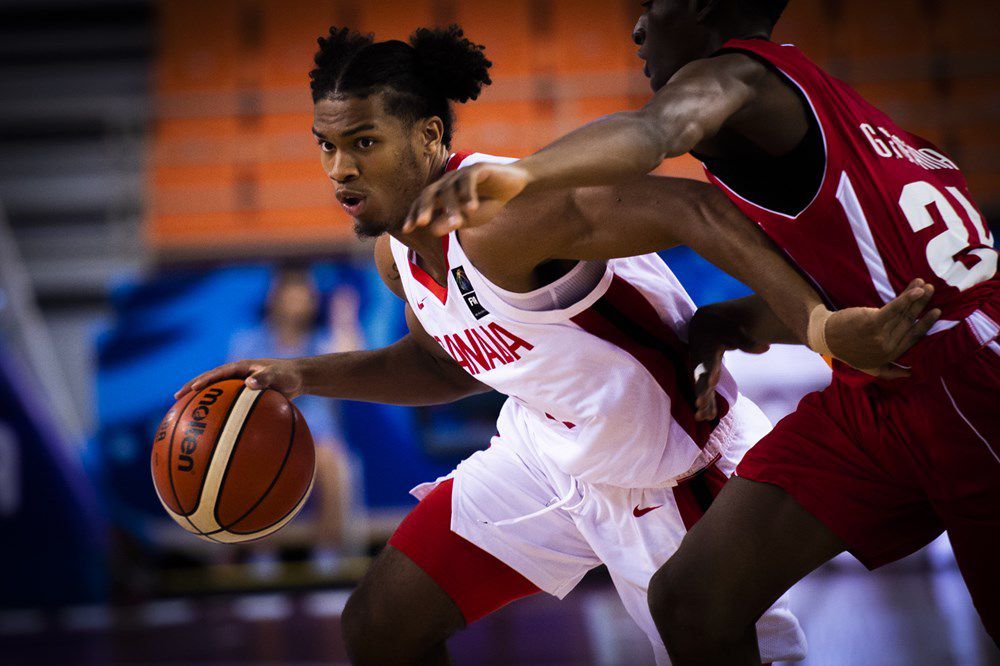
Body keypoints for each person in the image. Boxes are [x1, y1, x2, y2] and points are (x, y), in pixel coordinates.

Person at [175, 25, 936, 665]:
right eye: (326, 146)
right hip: (545, 459)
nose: (340, 169)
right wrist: (299, 375)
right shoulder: (395, 253)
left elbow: (691, 208)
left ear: (431, 137)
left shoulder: (507, 216)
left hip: (666, 470)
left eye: (363, 142)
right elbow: (442, 364)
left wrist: (815, 325)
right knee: (379, 626)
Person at [407, 0, 1000, 658]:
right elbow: (874, 290)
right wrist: (735, 318)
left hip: (968, 383)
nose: (637, 29)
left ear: (704, 7)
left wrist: (524, 172)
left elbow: (653, 133)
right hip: (878, 391)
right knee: (689, 599)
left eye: (653, 6)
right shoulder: (844, 112)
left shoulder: (738, 76)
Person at [227, 268, 364, 574]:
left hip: (317, 441)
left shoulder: (321, 343)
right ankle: (263, 560)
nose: (300, 299)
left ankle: (326, 558)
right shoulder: (249, 343)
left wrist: (345, 319)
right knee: (252, 461)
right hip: (266, 439)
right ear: (275, 297)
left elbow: (354, 361)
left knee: (331, 459)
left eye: (306, 292)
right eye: (293, 291)